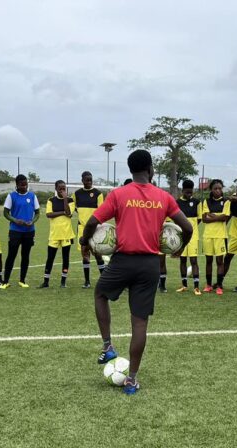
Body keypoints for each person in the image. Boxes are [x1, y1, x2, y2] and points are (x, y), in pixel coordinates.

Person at [79, 149, 193, 395]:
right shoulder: (164, 197)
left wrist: (84, 242)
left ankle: (108, 346)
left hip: (122, 262)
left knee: (100, 294)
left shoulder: (119, 194)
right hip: (150, 265)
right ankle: (131, 380)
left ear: (130, 170)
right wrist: (180, 247)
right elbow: (187, 226)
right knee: (139, 323)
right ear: (150, 169)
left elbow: (91, 223)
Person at [2, 174, 40, 288]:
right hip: (15, 231)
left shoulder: (32, 196)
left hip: (29, 231)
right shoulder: (11, 196)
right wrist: (15, 220)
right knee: (11, 255)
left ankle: (22, 280)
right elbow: (5, 213)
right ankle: (5, 281)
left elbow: (37, 213)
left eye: (26, 184)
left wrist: (32, 221)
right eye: (22, 184)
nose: (24, 186)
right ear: (17, 185)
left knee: (25, 255)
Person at [73, 171, 106, 288]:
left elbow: (101, 211)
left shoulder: (98, 194)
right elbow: (73, 208)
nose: (89, 182)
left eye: (90, 180)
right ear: (82, 180)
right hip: (82, 228)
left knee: (97, 254)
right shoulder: (76, 194)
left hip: (95, 228)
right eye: (87, 180)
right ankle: (87, 282)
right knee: (85, 253)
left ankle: (104, 281)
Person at [40, 180, 73, 288]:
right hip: (54, 234)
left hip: (66, 234)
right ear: (56, 189)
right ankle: (46, 281)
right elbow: (49, 214)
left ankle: (63, 281)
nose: (62, 190)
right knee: (50, 258)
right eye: (60, 188)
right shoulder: (51, 200)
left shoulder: (70, 200)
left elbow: (69, 213)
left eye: (64, 188)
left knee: (65, 258)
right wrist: (62, 212)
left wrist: (64, 199)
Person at [200, 179, 230, 294]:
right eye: (215, 189)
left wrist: (212, 216)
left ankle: (219, 286)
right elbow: (204, 219)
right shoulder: (206, 202)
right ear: (211, 190)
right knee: (208, 261)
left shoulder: (226, 201)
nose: (218, 191)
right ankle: (208, 285)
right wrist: (219, 217)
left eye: (220, 188)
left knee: (219, 261)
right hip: (208, 235)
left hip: (220, 236)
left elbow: (225, 218)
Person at [175, 179, 202, 295]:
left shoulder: (197, 202)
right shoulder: (177, 202)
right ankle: (184, 285)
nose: (189, 194)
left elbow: (199, 218)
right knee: (182, 260)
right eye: (187, 192)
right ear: (182, 191)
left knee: (194, 260)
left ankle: (196, 287)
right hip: (181, 236)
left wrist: (191, 229)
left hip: (193, 236)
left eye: (191, 192)